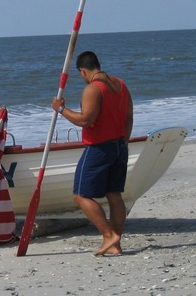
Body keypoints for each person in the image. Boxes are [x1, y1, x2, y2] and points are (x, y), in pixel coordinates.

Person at [51, 51, 133, 256]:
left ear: (83, 71)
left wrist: (61, 110)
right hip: (120, 145)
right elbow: (129, 117)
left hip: (99, 147)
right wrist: (124, 140)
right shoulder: (121, 84)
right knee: (114, 195)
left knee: (80, 195)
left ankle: (108, 236)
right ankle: (115, 245)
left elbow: (85, 120)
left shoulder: (93, 89)